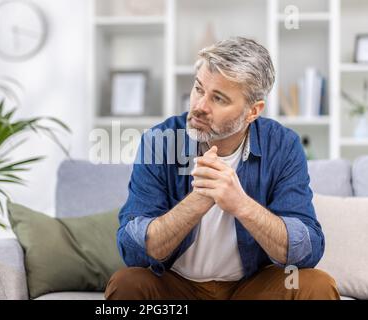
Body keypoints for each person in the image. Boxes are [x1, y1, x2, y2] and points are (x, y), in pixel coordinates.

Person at [105, 37, 339, 300]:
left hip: (251, 288)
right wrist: (198, 201)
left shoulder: (283, 145)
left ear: (253, 111)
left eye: (218, 98)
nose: (199, 106)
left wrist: (241, 205)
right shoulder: (159, 141)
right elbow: (132, 249)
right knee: (128, 283)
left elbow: (308, 249)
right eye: (198, 89)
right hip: (176, 286)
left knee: (316, 285)